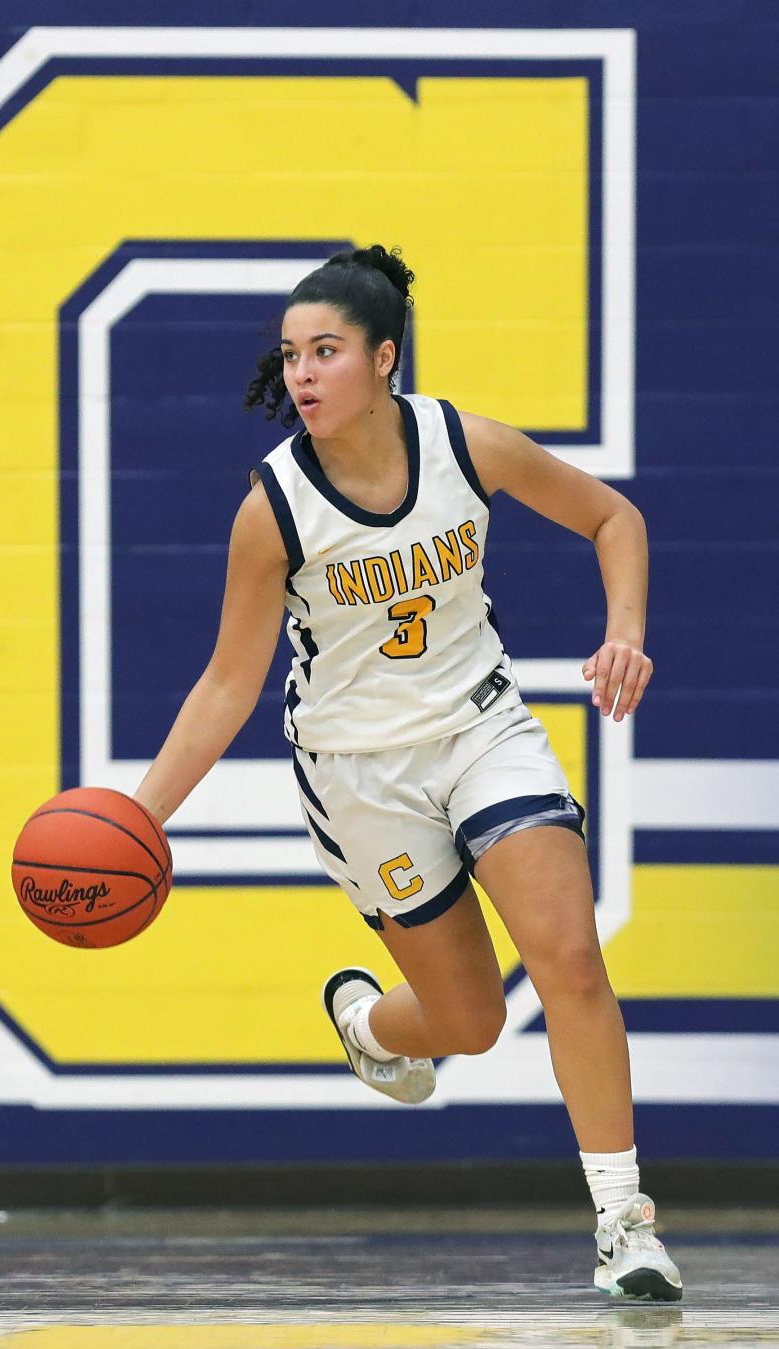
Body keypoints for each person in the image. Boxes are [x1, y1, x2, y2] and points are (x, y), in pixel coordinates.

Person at [132, 243, 682, 1302]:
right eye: (292, 354)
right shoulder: (276, 508)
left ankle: (624, 1220)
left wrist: (626, 630)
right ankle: (369, 1024)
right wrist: (138, 816)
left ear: (384, 358)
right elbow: (224, 683)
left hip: (482, 729)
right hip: (359, 772)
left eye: (326, 350)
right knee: (471, 1021)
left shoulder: (466, 446)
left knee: (568, 956)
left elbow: (616, 516)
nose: (301, 373)